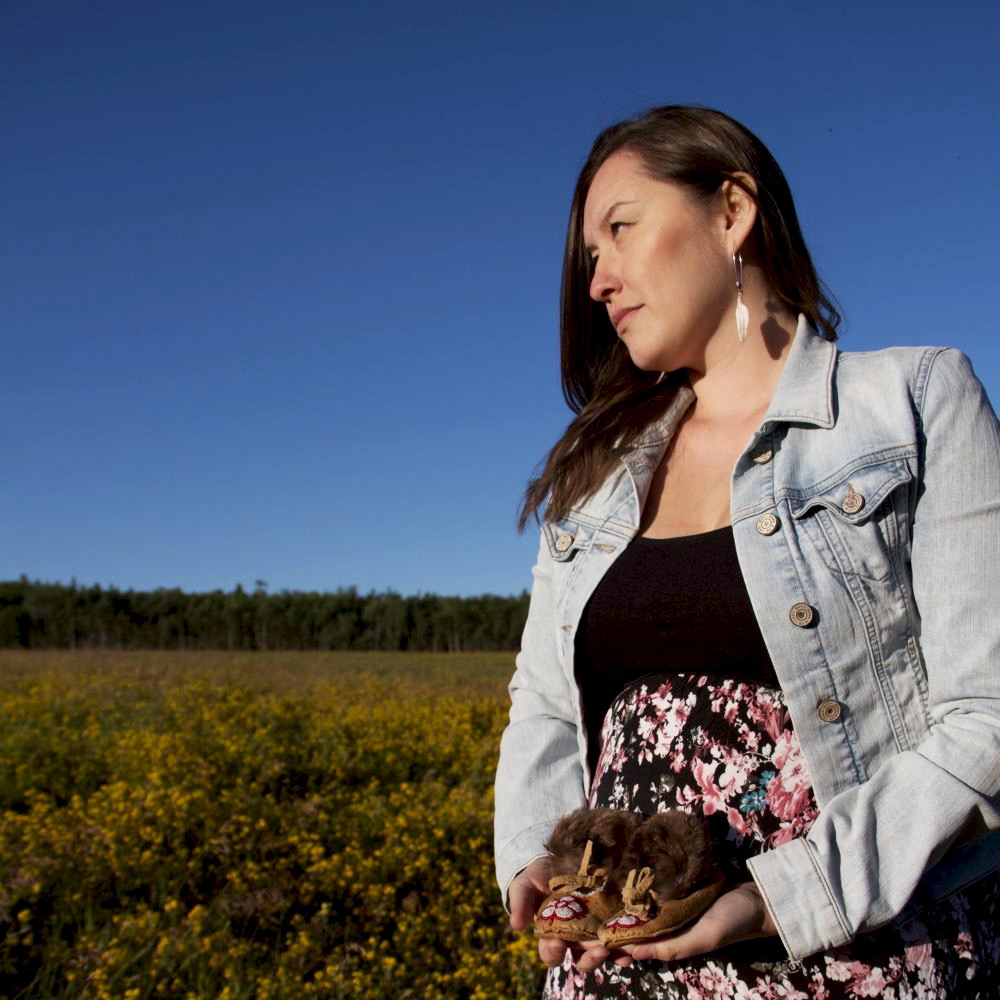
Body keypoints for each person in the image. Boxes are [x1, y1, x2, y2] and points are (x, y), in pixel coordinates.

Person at [493, 105, 1000, 998]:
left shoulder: (914, 402)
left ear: (732, 212)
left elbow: (986, 713)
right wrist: (537, 869)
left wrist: (780, 898)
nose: (599, 280)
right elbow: (544, 709)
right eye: (588, 260)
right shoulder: (594, 476)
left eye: (620, 231)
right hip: (619, 969)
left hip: (853, 952)